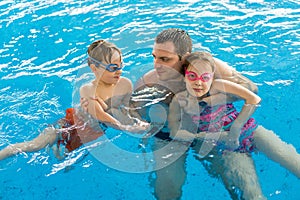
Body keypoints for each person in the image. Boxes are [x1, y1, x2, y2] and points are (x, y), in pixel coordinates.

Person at [130, 28, 266, 200]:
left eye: (165, 59)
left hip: (213, 127)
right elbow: (133, 110)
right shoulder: (149, 81)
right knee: (166, 192)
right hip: (170, 133)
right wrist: (140, 124)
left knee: (247, 191)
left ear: (185, 57)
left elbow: (251, 89)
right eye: (154, 57)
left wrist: (212, 98)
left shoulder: (211, 68)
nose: (156, 64)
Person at [0, 39, 148, 161]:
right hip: (68, 127)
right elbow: (101, 116)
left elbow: (128, 108)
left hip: (92, 134)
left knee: (66, 161)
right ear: (94, 68)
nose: (119, 71)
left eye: (121, 65)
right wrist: (126, 128)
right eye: (112, 67)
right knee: (35, 145)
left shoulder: (125, 84)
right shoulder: (88, 89)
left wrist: (138, 122)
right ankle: (4, 154)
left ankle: (59, 150)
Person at [168, 52, 300, 180]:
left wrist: (236, 129)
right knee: (252, 194)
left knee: (295, 164)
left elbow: (254, 99)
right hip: (226, 146)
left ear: (212, 77)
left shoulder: (219, 86)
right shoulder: (179, 101)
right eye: (192, 76)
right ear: (184, 75)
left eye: (205, 77)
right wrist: (202, 136)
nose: (198, 82)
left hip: (249, 131)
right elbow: (174, 133)